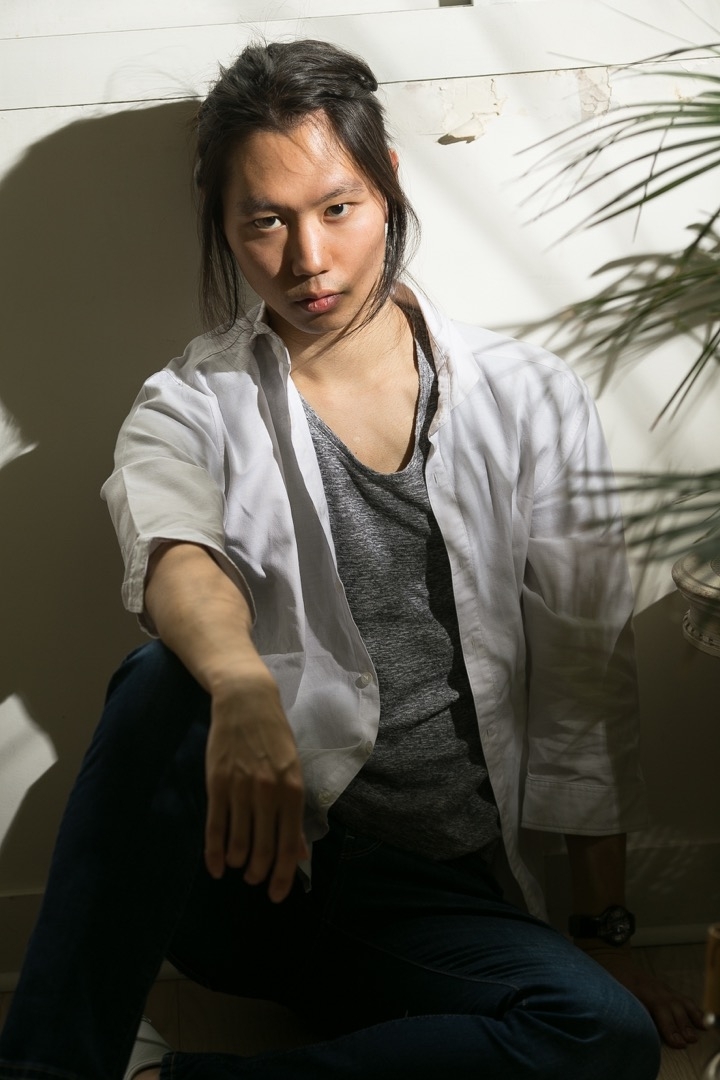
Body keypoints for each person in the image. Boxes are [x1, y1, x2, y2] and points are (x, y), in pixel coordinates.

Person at [0, 38, 705, 1080]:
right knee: (161, 682)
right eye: (264, 221)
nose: (308, 259)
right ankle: (46, 1070)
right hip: (249, 873)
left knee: (602, 1034)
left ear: (388, 188)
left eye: (337, 208)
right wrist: (241, 685)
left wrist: (602, 928)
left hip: (437, 895)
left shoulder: (529, 398)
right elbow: (173, 550)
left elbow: (584, 677)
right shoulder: (191, 403)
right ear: (223, 227)